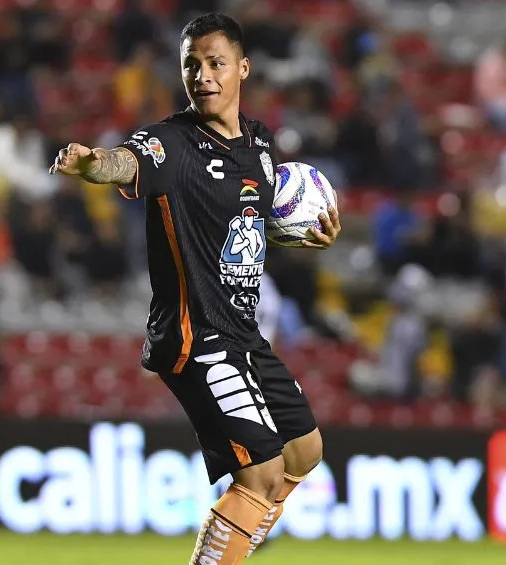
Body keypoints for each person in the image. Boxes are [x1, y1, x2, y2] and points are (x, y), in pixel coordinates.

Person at [49, 13, 340, 564]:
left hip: (244, 334)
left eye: (215, 62)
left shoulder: (260, 145)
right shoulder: (170, 142)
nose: (202, 74)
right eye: (191, 64)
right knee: (261, 474)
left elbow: (247, 230)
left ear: (243, 69)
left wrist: (306, 238)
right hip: (197, 335)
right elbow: (123, 162)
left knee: (305, 452)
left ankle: (230, 546)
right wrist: (93, 163)